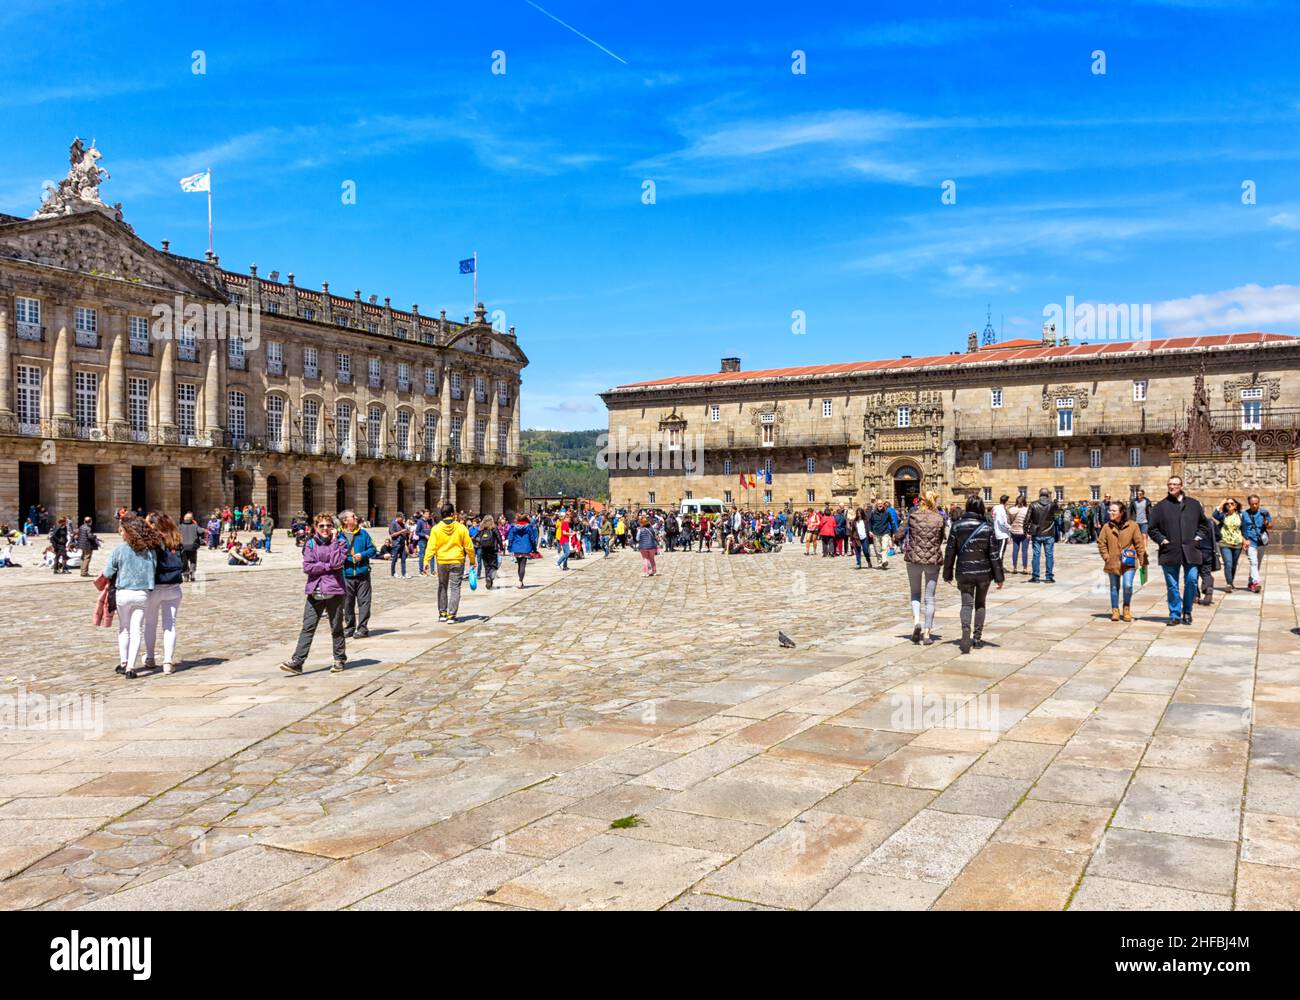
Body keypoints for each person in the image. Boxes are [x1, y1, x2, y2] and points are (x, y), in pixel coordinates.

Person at [281, 513, 348, 674]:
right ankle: (298, 661)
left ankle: (339, 659)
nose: (325, 528)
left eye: (329, 525)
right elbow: (308, 567)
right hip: (314, 590)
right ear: (316, 527)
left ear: (334, 527)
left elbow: (337, 563)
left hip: (334, 590)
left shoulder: (341, 542)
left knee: (336, 627)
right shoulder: (310, 543)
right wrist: (327, 567)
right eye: (322, 526)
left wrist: (333, 543)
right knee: (308, 627)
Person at [101, 514, 161, 679]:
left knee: (124, 628)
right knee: (137, 630)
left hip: (123, 593)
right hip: (142, 594)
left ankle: (123, 662)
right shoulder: (150, 551)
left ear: (128, 531)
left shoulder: (119, 550)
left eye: (122, 529)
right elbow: (153, 570)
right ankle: (131, 668)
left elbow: (107, 572)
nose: (120, 532)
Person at [943, 495, 1005, 654]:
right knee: (980, 604)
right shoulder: (987, 528)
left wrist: (947, 573)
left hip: (964, 572)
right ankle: (977, 638)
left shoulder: (956, 526)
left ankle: (965, 632)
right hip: (984, 573)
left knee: (966, 604)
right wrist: (999, 577)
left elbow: (950, 552)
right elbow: (994, 555)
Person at [1147, 475, 1206, 626]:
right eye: (1169, 484)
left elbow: (1204, 525)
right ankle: (1174, 613)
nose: (1172, 487)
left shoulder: (1194, 504)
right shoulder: (1160, 507)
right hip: (1169, 551)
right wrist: (1162, 540)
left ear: (1181, 486)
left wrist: (1198, 538)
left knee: (1192, 580)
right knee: (1172, 585)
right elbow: (1152, 529)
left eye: (1175, 484)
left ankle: (1187, 611)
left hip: (1190, 550)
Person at [143, 512, 185, 673]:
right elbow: (185, 563)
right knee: (170, 624)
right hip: (173, 587)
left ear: (154, 524)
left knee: (150, 624)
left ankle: (150, 658)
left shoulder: (150, 541)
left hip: (154, 587)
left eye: (148, 523)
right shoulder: (175, 539)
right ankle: (168, 662)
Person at [904, 491, 946, 645]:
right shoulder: (939, 518)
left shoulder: (913, 515)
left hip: (914, 558)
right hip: (932, 559)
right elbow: (941, 538)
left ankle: (916, 623)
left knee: (915, 593)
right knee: (930, 598)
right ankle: (927, 633)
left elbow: (901, 532)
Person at [1096, 500, 1147, 622]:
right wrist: (1106, 557)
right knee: (1114, 587)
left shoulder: (1133, 525)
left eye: (1114, 511)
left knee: (1127, 585)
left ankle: (1126, 607)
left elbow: (1139, 544)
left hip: (1128, 561)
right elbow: (1101, 543)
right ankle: (1115, 610)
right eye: (1110, 510)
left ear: (1121, 512)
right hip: (1112, 561)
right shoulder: (1106, 527)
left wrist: (1143, 561)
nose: (1110, 513)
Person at [423, 503, 474, 623]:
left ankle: (442, 613)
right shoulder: (461, 528)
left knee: (442, 586)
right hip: (457, 560)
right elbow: (469, 546)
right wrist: (472, 560)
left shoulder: (436, 529)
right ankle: (451, 615)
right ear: (453, 514)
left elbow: (431, 546)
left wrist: (426, 560)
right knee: (455, 587)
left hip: (442, 561)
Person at [339, 510, 376, 638]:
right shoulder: (338, 536)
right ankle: (349, 627)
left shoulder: (363, 533)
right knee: (347, 603)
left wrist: (363, 555)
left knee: (364, 602)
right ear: (345, 521)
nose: (356, 518)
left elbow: (373, 549)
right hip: (346, 574)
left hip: (363, 573)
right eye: (353, 516)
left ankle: (363, 628)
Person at [1026, 488, 1059, 583]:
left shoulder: (1033, 504)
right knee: (1049, 555)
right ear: (1047, 495)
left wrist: (1026, 531)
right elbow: (1057, 517)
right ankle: (1049, 577)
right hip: (1049, 533)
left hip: (1037, 533)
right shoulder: (1053, 505)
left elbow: (1027, 519)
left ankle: (1035, 577)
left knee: (1036, 555)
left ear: (1039, 494)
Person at [1240, 494, 1271, 594]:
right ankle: (1256, 583)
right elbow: (1241, 528)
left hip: (1261, 541)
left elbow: (1270, 526)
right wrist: (1244, 540)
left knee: (1257, 563)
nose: (1254, 506)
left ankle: (1251, 583)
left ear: (1259, 503)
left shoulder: (1264, 513)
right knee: (1253, 562)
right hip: (1250, 541)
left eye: (1256, 503)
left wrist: (1266, 523)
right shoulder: (1244, 514)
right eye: (1252, 504)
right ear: (1249, 503)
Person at [1213, 498, 1243, 593]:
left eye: (1232, 503)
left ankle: (1231, 582)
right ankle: (1229, 583)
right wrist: (1221, 504)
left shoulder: (1241, 515)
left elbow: (1244, 528)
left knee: (1234, 564)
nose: (1229, 505)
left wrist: (1245, 540)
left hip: (1237, 542)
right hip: (1225, 542)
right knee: (1228, 563)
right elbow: (1215, 515)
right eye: (1227, 504)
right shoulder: (1223, 515)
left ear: (1236, 505)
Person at [507, 513, 538, 588]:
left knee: (519, 564)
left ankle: (520, 581)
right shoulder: (528, 527)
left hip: (516, 547)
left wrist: (509, 547)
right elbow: (532, 538)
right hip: (526, 548)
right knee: (523, 565)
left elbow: (510, 538)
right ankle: (521, 581)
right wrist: (534, 548)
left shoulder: (513, 527)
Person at [475, 514, 501, 589]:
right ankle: (490, 578)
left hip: (483, 549)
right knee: (494, 566)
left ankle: (488, 581)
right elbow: (498, 537)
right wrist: (501, 547)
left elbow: (476, 537)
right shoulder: (494, 528)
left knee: (486, 566)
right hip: (492, 549)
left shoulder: (481, 528)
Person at [869, 500, 896, 569]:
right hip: (876, 533)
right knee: (877, 550)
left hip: (885, 533)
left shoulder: (887, 513)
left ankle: (884, 560)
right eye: (878, 504)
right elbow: (870, 523)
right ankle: (880, 563)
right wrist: (870, 531)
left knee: (884, 547)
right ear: (876, 505)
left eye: (881, 504)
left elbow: (892, 522)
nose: (880, 505)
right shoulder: (873, 513)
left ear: (883, 505)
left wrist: (894, 533)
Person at [1006, 495, 1030, 574]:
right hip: (1024, 532)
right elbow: (1030, 521)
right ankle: (1025, 568)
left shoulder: (1011, 510)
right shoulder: (1027, 510)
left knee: (1015, 550)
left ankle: (1014, 567)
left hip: (1014, 532)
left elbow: (1008, 521)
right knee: (1024, 550)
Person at [178, 512, 202, 582]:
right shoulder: (195, 526)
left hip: (183, 547)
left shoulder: (180, 526)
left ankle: (186, 574)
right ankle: (192, 572)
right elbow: (201, 531)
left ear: (184, 519)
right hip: (192, 546)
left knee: (184, 561)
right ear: (192, 519)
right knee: (193, 560)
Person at [991, 495, 1011, 565]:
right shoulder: (1002, 510)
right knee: (1001, 552)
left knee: (996, 551)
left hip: (996, 532)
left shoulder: (995, 508)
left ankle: (996, 565)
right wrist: (1009, 528)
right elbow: (1003, 522)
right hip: (1002, 534)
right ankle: (998, 566)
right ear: (1006, 501)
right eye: (1008, 501)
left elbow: (993, 517)